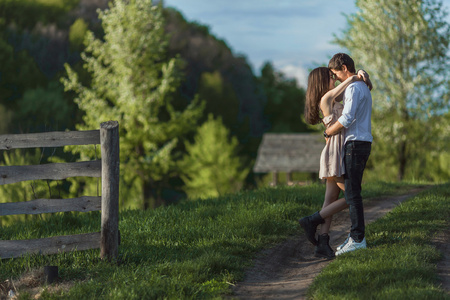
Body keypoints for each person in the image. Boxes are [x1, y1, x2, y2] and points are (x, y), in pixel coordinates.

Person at [299, 65, 371, 259]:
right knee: (351, 197)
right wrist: (355, 76)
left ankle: (322, 242)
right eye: (331, 77)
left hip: (337, 150)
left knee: (330, 199)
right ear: (322, 82)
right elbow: (348, 84)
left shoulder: (332, 98)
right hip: (335, 152)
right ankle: (312, 220)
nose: (335, 80)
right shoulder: (326, 99)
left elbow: (353, 95)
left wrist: (363, 79)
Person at [325, 53, 373, 256]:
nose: (335, 78)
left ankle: (358, 239)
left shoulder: (353, 87)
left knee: (352, 193)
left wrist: (328, 131)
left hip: (355, 144)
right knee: (353, 192)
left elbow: (347, 117)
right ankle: (355, 236)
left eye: (336, 73)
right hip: (362, 142)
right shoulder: (361, 85)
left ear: (344, 68)